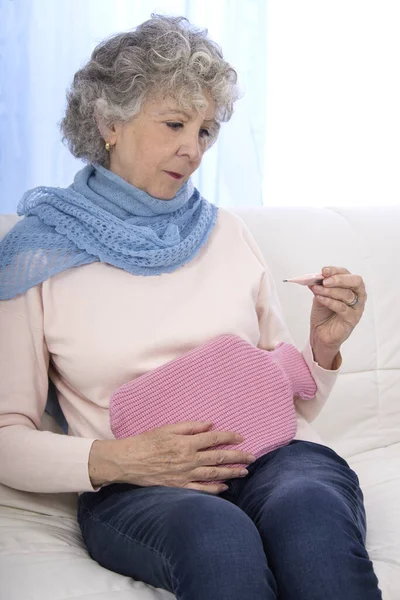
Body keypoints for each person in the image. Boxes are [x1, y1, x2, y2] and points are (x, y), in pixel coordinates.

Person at [0, 14, 382, 600]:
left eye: (205, 131)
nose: (194, 149)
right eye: (176, 123)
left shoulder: (224, 231)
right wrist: (122, 459)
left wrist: (322, 347)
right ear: (109, 122)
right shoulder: (37, 254)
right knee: (216, 535)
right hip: (136, 486)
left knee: (311, 511)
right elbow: (6, 435)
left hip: (271, 458)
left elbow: (282, 390)